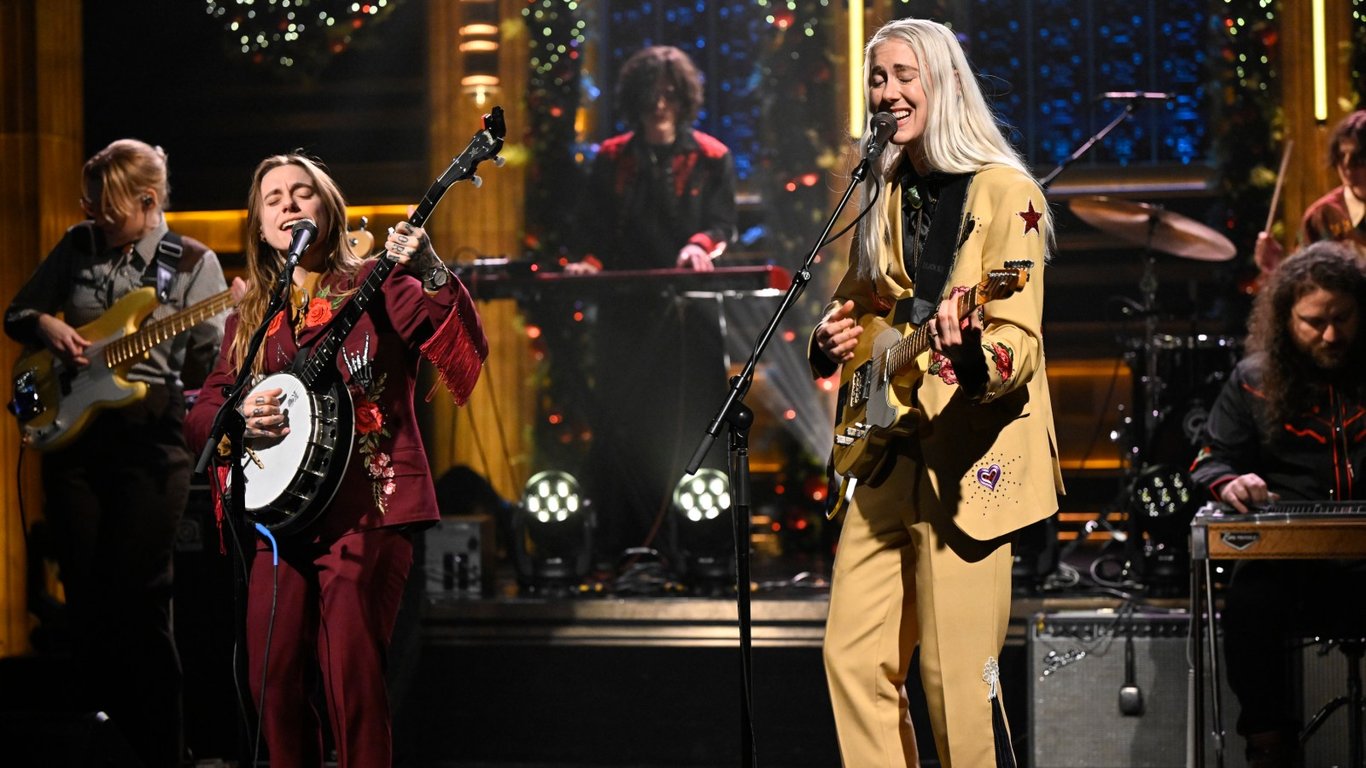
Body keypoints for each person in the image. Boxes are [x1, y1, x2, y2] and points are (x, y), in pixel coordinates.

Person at [809, 18, 1062, 766]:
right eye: (877, 79)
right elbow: (861, 305)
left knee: (956, 682)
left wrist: (973, 355)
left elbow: (1017, 336)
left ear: (944, 83)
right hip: (888, 454)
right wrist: (833, 342)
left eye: (902, 75)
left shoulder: (1008, 193)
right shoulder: (881, 192)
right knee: (853, 662)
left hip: (970, 462)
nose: (887, 92)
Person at [184, 152, 487, 767]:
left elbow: (449, 331)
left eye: (303, 193)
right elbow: (203, 412)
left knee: (349, 675)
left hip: (370, 508)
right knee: (270, 677)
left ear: (329, 209)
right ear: (261, 226)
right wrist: (241, 416)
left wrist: (429, 268)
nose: (289, 205)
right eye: (274, 199)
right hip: (283, 523)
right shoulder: (251, 318)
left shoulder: (379, 281)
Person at [4, 138, 234, 767]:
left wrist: (206, 336)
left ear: (148, 202)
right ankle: (95, 746)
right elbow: (17, 312)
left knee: (141, 595)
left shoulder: (189, 261)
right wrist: (45, 325)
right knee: (84, 596)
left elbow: (205, 364)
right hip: (76, 443)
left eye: (105, 207)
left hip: (150, 439)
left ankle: (161, 747)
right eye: (89, 205)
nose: (93, 216)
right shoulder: (77, 245)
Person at [555, 45, 738, 570]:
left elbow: (723, 222)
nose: (660, 103)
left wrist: (701, 244)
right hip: (626, 315)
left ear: (683, 98)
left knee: (696, 421)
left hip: (690, 316)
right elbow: (591, 227)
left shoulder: (711, 156)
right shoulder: (611, 157)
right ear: (636, 98)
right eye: (652, 94)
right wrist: (588, 262)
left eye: (669, 94)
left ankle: (703, 546)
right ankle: (626, 541)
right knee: (622, 423)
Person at [1190, 240, 1366, 767]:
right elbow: (1209, 460)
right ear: (1286, 317)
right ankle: (1270, 745)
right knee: (1250, 601)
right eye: (1314, 321)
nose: (1331, 334)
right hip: (1295, 570)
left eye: (1343, 318)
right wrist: (1231, 482)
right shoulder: (1253, 379)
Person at [1253, 109, 1366, 275]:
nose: (1347, 165)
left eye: (1359, 156)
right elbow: (1304, 282)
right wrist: (1277, 266)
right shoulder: (1321, 217)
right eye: (1341, 155)